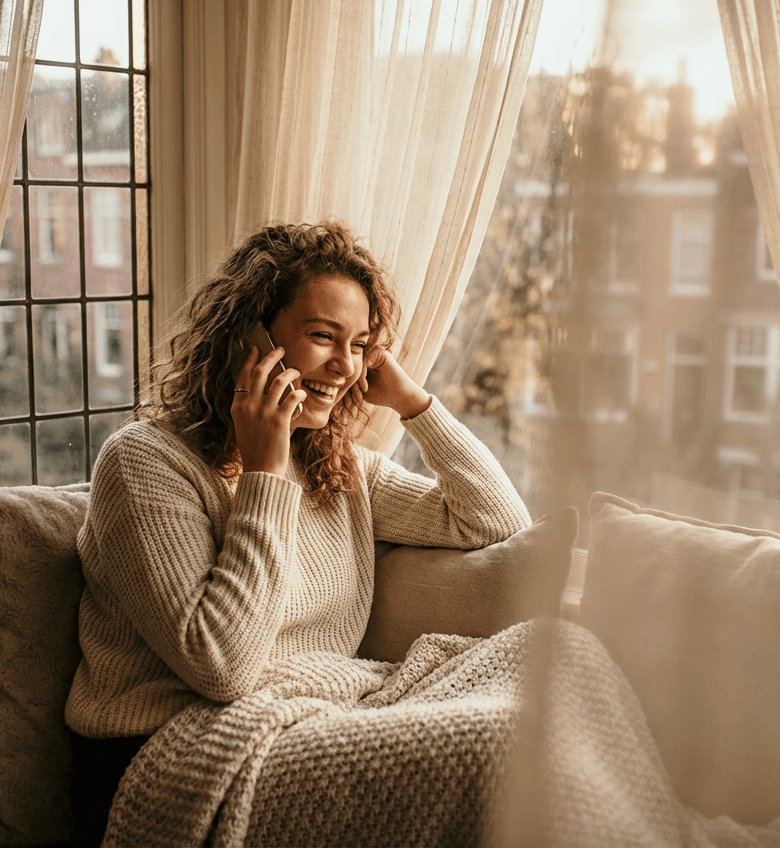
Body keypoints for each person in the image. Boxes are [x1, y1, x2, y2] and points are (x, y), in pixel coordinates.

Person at [63, 221, 531, 842]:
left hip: (313, 718)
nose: (345, 367)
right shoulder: (145, 464)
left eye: (361, 345)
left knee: (546, 660)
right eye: (322, 337)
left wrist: (412, 402)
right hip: (169, 749)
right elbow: (222, 667)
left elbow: (496, 521)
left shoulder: (338, 467)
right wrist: (265, 470)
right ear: (247, 337)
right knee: (490, 746)